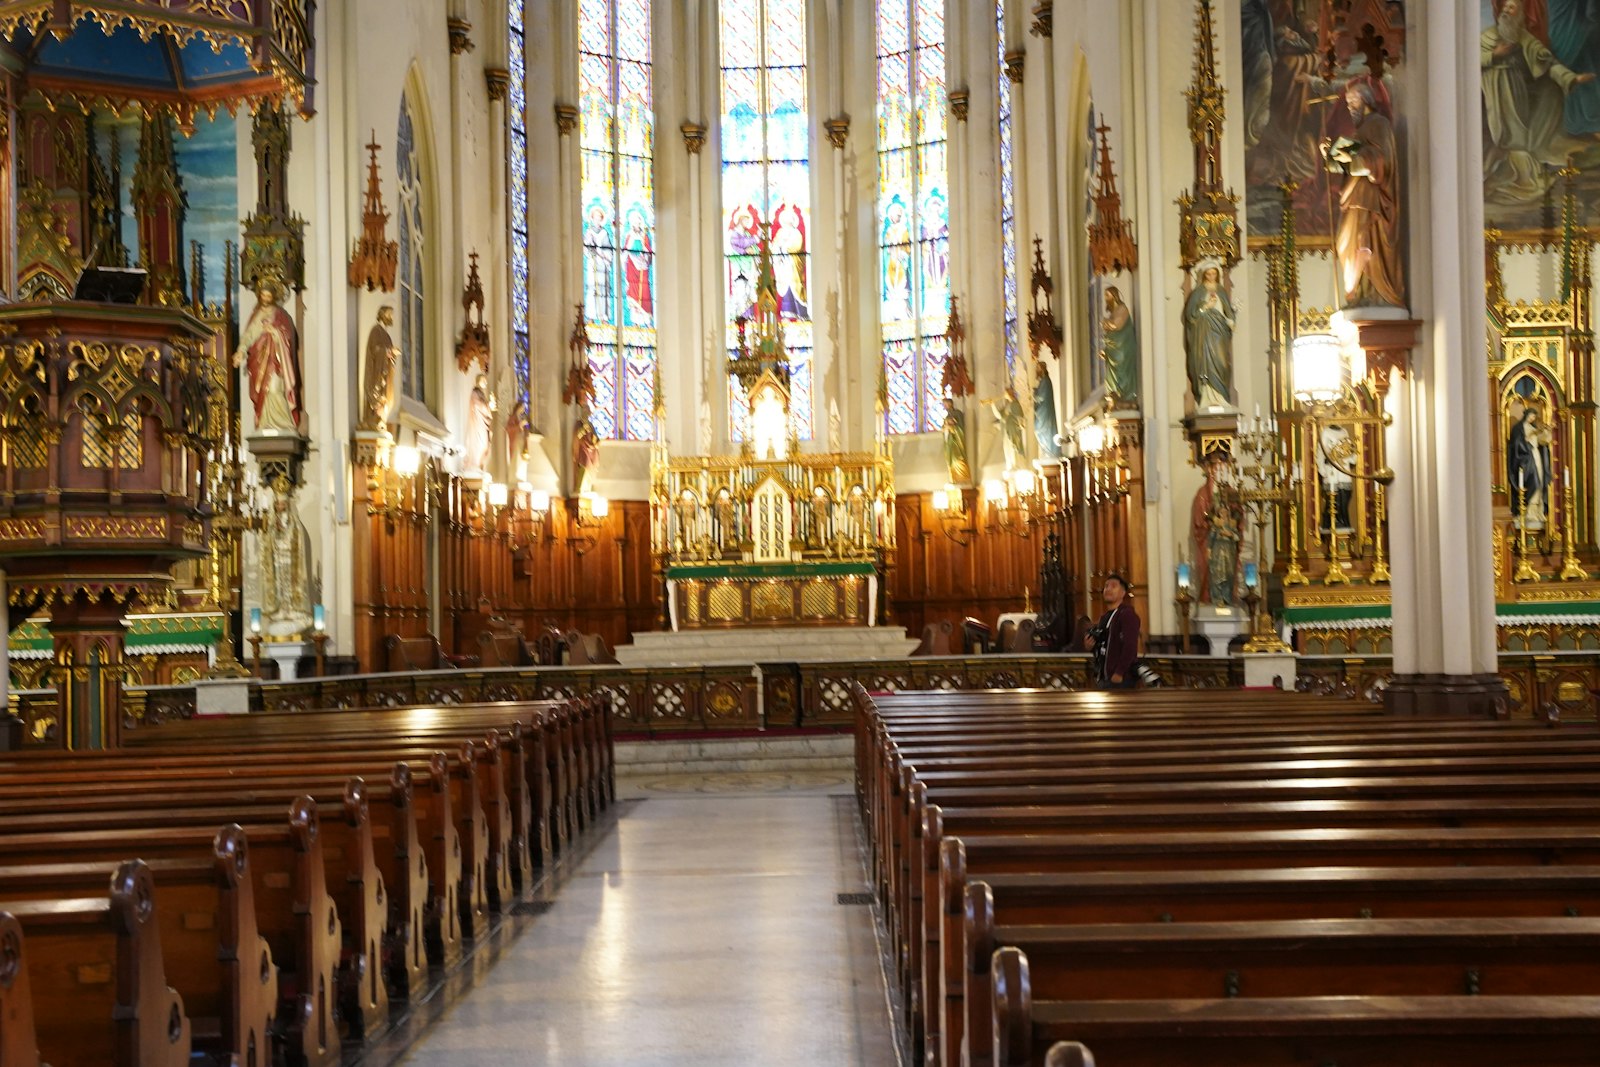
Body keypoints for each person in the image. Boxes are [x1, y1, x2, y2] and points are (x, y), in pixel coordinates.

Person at [1321, 80, 1405, 309]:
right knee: (1344, 244)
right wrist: (1330, 156)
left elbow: (1382, 161)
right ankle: (1356, 291)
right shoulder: (1360, 130)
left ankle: (1371, 292)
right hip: (1354, 198)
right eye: (1348, 103)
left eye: (1353, 101)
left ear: (1366, 100)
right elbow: (1348, 166)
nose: (1350, 107)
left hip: (1371, 202)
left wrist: (1355, 158)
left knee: (1363, 243)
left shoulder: (1379, 124)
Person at [1183, 266, 1235, 411]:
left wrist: (1231, 321)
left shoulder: (1221, 291)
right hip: (1204, 334)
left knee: (1222, 362)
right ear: (1204, 275)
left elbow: (1228, 311)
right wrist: (1206, 306)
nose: (1211, 276)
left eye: (1214, 273)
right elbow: (1190, 315)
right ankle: (1207, 398)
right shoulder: (1198, 292)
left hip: (1220, 333)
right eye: (1208, 274)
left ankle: (1221, 397)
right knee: (1205, 362)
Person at [1085, 573, 1140, 689]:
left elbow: (1130, 646)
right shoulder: (1104, 617)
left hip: (1120, 678)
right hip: (1103, 676)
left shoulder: (1126, 615)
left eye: (1113, 586)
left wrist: (1119, 672)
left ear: (1123, 593)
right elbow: (1106, 645)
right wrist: (1091, 646)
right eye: (1106, 586)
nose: (1108, 589)